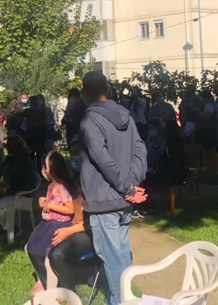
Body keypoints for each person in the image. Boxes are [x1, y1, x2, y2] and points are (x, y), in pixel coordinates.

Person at [79, 71, 148, 305]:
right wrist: (131, 185)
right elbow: (141, 151)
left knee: (114, 259)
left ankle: (121, 302)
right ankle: (122, 299)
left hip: (105, 200)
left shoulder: (89, 120)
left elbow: (102, 159)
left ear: (84, 93)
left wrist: (127, 187)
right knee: (122, 257)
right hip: (122, 199)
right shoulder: (126, 116)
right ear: (107, 90)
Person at [26, 151, 76, 295]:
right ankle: (46, 281)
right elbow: (52, 202)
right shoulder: (51, 186)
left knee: (39, 250)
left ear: (49, 170)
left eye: (43, 167)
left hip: (58, 224)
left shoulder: (62, 187)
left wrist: (52, 206)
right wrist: (44, 201)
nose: (42, 170)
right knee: (32, 248)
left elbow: (70, 208)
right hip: (48, 223)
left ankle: (50, 284)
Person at [197, 90, 218, 174]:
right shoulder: (214, 104)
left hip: (210, 130)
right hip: (213, 129)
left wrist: (198, 111)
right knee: (210, 149)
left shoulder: (209, 105)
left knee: (210, 150)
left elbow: (206, 117)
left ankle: (213, 169)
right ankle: (213, 168)